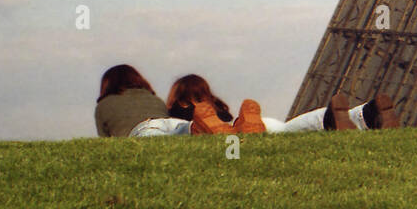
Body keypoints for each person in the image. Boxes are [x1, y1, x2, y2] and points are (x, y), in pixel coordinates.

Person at [165, 73, 400, 134]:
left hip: (228, 136)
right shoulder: (223, 111)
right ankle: (364, 114)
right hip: (261, 126)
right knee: (288, 129)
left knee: (283, 131)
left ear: (181, 100)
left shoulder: (174, 116)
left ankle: (205, 130)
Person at [95, 64, 193, 137]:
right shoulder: (156, 99)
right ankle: (194, 127)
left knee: (156, 136)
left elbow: (105, 141)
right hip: (170, 123)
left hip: (144, 130)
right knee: (186, 131)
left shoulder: (103, 105)